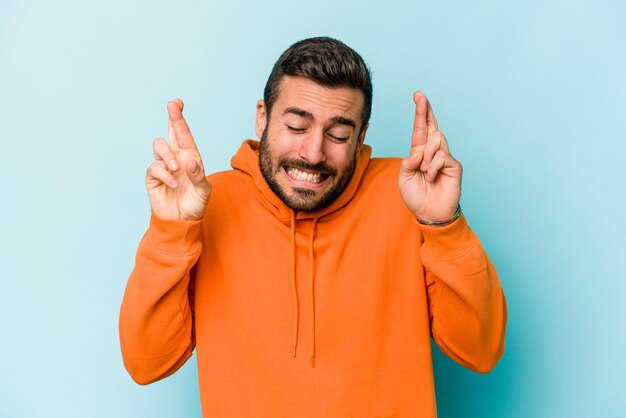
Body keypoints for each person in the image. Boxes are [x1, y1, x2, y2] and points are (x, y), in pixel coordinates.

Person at [119, 36, 506, 417]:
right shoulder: (206, 203)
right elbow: (147, 363)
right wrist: (171, 232)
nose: (314, 153)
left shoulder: (409, 196)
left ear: (360, 138)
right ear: (262, 116)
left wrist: (443, 224)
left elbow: (481, 350)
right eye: (297, 127)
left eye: (338, 134)